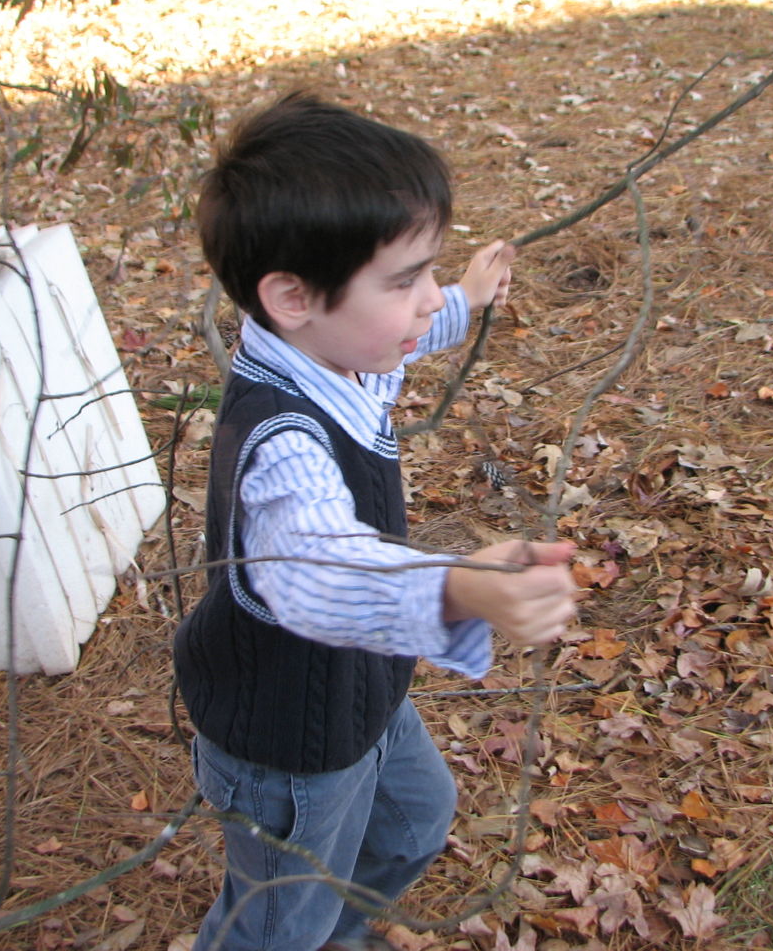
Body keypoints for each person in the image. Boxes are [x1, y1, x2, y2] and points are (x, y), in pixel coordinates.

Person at [173, 92, 578, 951]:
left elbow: (393, 355)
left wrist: (462, 297)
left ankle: (335, 935)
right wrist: (461, 586)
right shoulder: (282, 445)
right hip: (288, 747)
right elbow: (316, 566)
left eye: (427, 273)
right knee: (273, 925)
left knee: (413, 824)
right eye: (405, 280)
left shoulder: (336, 351)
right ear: (291, 295)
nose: (424, 301)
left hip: (362, 693)